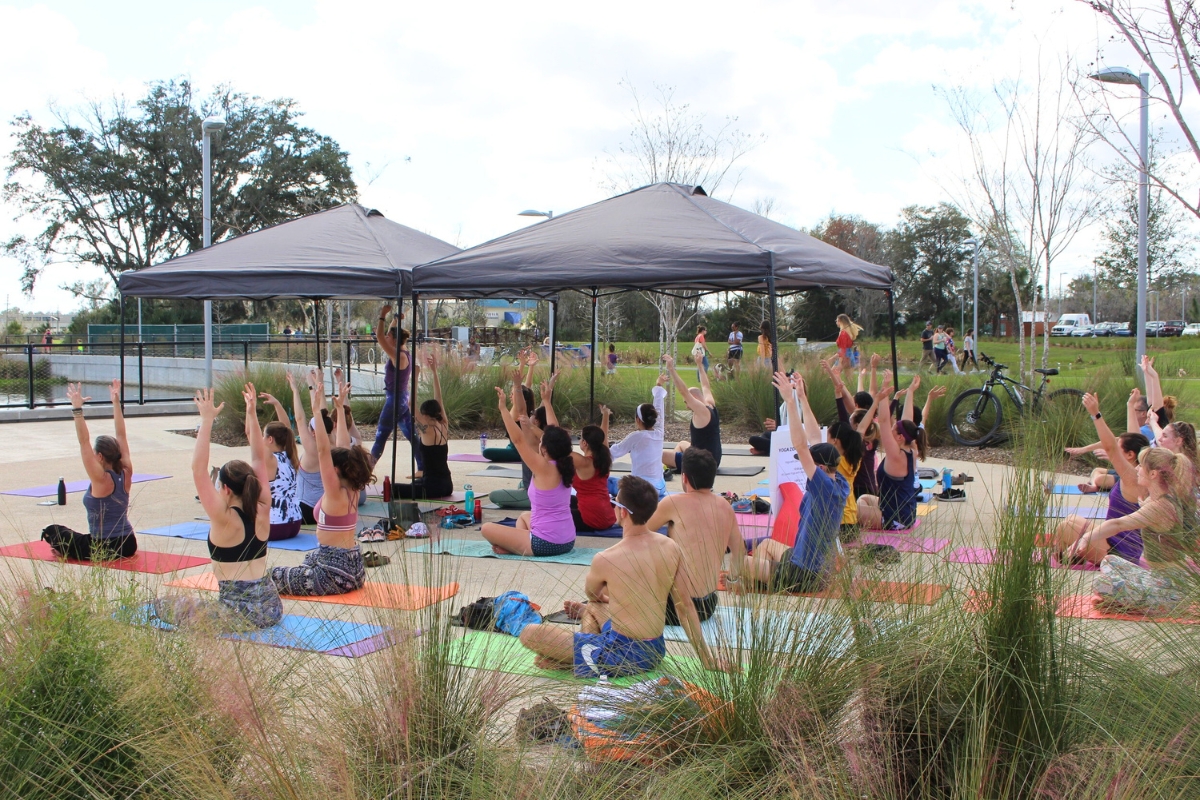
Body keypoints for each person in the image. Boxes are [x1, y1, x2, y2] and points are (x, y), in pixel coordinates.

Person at [518, 476, 734, 677]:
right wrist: (707, 660)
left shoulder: (606, 558)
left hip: (623, 656)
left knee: (529, 633)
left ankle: (577, 661)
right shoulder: (671, 547)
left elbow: (592, 594)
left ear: (622, 512)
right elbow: (685, 607)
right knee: (593, 608)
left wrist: (607, 598)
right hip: (655, 650)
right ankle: (582, 657)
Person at [155, 387, 282, 629]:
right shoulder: (263, 505)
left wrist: (207, 420)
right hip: (271, 607)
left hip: (238, 614)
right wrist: (251, 413)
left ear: (225, 489)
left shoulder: (224, 517)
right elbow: (258, 458)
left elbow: (198, 470)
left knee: (165, 603)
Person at [741, 372, 850, 593]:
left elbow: (801, 446)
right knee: (766, 544)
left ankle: (769, 583)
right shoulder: (838, 481)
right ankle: (767, 583)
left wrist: (790, 402)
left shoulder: (823, 488)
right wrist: (802, 398)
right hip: (810, 563)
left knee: (742, 563)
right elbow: (814, 438)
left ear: (820, 468)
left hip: (806, 573)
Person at [271, 371, 371, 596]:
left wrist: (317, 411)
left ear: (334, 470)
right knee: (309, 558)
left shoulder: (334, 491)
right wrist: (340, 410)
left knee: (271, 575)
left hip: (333, 573)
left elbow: (324, 451)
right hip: (353, 568)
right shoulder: (353, 488)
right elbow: (343, 445)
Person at [1091, 446, 1198, 614]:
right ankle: (1128, 602)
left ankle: (1133, 604)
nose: (1137, 469)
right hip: (1158, 579)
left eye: (1141, 465)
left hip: (1171, 592)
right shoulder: (1160, 498)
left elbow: (1118, 524)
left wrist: (1086, 538)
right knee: (1110, 561)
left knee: (1100, 584)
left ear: (1153, 474)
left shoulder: (1161, 506)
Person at [646, 448, 746, 625]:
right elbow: (739, 550)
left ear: (684, 477)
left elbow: (638, 533)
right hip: (708, 606)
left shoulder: (673, 503)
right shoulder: (725, 506)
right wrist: (733, 579)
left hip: (676, 608)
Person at [44, 380, 138, 560]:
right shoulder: (127, 471)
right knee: (74, 537)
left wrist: (77, 409)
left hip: (102, 547)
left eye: (94, 453)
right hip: (128, 544)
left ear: (100, 456)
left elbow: (83, 441)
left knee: (53, 531)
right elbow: (121, 435)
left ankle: (64, 550)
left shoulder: (100, 478)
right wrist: (116, 402)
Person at [1054, 393, 1149, 566]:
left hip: (1119, 553)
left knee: (1065, 528)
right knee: (1071, 519)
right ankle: (1073, 555)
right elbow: (1134, 439)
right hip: (1111, 541)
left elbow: (1110, 447)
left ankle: (1068, 557)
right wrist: (1130, 405)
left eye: (1120, 448)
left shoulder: (1133, 479)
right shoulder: (1137, 472)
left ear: (1130, 455)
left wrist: (1095, 414)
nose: (1115, 450)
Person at [480, 386, 576, 556]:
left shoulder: (543, 467)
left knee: (486, 528)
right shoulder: (566, 462)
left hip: (546, 544)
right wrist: (546, 401)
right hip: (567, 540)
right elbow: (556, 430)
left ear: (544, 449)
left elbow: (518, 440)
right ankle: (518, 546)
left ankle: (517, 548)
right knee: (524, 516)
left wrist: (503, 409)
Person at [857, 380, 926, 531]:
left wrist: (883, 394)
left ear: (900, 437)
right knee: (863, 499)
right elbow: (907, 419)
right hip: (906, 514)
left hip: (895, 519)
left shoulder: (896, 455)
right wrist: (910, 392)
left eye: (893, 429)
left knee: (850, 510)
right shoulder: (911, 448)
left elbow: (883, 421)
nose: (891, 429)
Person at [390, 353, 453, 499]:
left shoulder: (426, 429)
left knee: (392, 488)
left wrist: (415, 376)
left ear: (424, 414)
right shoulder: (444, 424)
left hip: (432, 487)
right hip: (447, 485)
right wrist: (434, 371)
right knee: (413, 484)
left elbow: (410, 404)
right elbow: (439, 399)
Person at [370, 305, 416, 472]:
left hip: (395, 400)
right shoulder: (403, 352)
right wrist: (395, 320)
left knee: (381, 435)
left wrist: (382, 315)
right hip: (401, 398)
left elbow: (379, 337)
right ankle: (423, 466)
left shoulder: (398, 356)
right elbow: (388, 334)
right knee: (412, 435)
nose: (386, 337)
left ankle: (367, 469)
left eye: (389, 336)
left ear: (395, 340)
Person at [255, 387, 304, 541]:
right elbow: (286, 429)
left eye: (263, 436)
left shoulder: (270, 460)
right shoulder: (289, 455)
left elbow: (251, 435)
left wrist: (251, 412)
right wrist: (277, 404)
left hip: (275, 526)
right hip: (295, 524)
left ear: (270, 439)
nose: (261, 439)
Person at [608, 374, 669, 497]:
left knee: (607, 482)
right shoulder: (659, 432)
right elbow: (659, 408)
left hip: (642, 489)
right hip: (661, 487)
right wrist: (658, 385)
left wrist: (596, 457)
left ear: (638, 420)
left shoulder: (636, 436)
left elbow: (615, 452)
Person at [662, 354, 722, 472]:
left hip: (702, 463)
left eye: (686, 402)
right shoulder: (710, 404)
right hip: (713, 459)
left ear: (694, 399)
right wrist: (699, 365)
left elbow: (683, 391)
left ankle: (675, 466)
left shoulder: (702, 411)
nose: (686, 405)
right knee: (682, 444)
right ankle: (674, 466)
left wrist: (671, 369)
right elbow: (705, 386)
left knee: (660, 454)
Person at [483, 351, 539, 464]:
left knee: (486, 452)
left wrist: (522, 366)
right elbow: (527, 387)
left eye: (512, 394)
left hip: (517, 451)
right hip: (515, 447)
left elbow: (518, 387)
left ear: (521, 399)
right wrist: (529, 366)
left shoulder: (518, 411)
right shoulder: (526, 409)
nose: (510, 396)